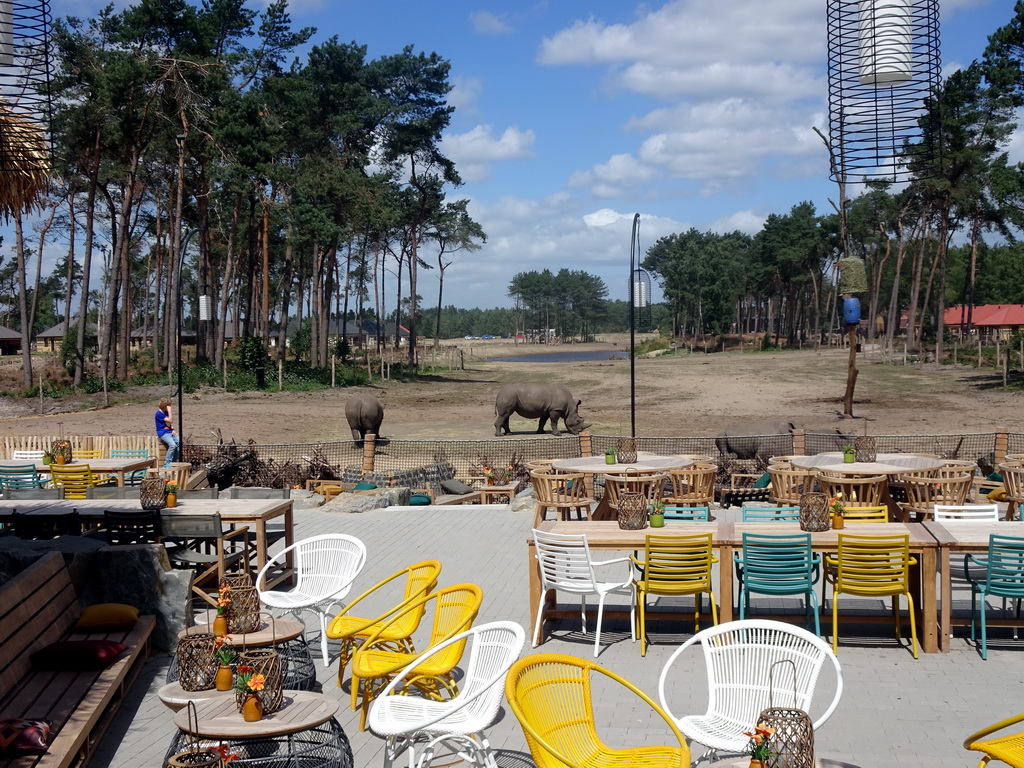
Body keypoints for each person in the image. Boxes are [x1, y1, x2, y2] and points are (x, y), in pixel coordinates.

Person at [156, 397, 180, 467]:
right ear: (164, 405)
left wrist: (173, 430)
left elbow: (170, 423)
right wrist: (170, 411)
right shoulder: (159, 413)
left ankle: (174, 461)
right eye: (168, 406)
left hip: (169, 431)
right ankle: (167, 463)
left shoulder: (165, 412)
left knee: (179, 442)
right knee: (172, 445)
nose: (169, 407)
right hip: (163, 433)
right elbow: (170, 420)